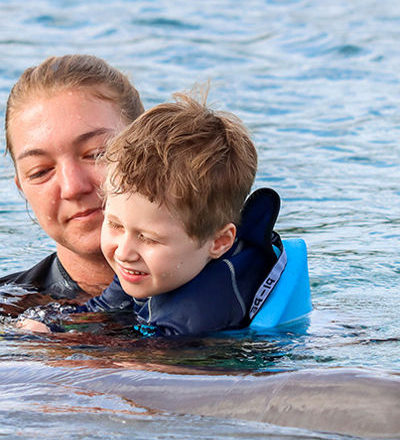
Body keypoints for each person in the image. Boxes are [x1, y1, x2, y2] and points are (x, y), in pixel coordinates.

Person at [22, 93, 284, 337]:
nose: (124, 252)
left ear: (218, 242)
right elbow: (105, 305)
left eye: (148, 238)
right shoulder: (146, 263)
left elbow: (148, 359)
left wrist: (56, 346)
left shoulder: (196, 314)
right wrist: (52, 325)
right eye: (114, 224)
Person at [0, 54, 144, 301]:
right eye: (40, 171)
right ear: (22, 188)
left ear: (151, 149)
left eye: (97, 154)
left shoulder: (223, 274)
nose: (72, 187)